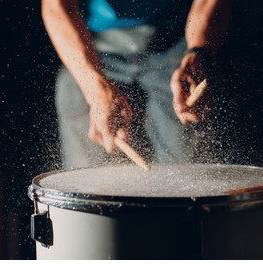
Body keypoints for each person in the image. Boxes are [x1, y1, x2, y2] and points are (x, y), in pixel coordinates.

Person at [41, 0, 236, 169]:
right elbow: (56, 5)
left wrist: (199, 53)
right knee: (73, 93)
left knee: (186, 125)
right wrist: (96, 91)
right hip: (96, 42)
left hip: (177, 36)